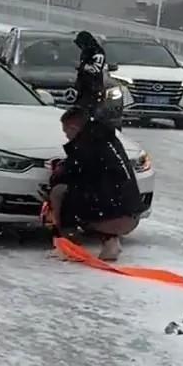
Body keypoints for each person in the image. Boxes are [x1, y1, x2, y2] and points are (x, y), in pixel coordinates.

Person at [47, 106, 142, 262]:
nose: (67, 137)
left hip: (112, 216)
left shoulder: (85, 146)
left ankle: (69, 246)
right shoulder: (107, 138)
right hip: (131, 212)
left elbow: (72, 175)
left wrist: (58, 171)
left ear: (74, 127)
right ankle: (111, 244)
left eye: (67, 133)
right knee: (94, 198)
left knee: (60, 193)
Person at [72, 30, 108, 112]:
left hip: (92, 87)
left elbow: (95, 69)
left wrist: (82, 67)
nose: (80, 46)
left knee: (89, 109)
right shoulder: (86, 51)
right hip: (83, 87)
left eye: (80, 44)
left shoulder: (97, 52)